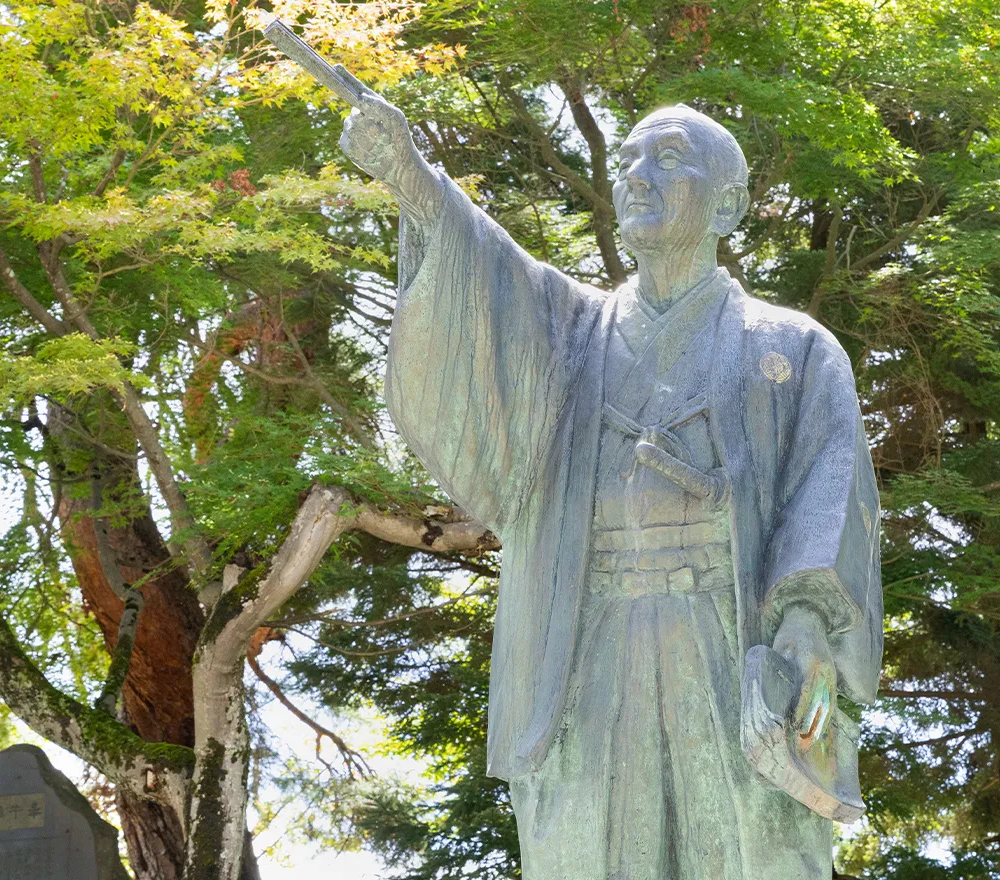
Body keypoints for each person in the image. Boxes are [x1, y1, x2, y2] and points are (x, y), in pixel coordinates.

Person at [331, 68, 881, 880]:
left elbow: (829, 496)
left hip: (729, 640)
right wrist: (413, 179)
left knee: (750, 849)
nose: (637, 176)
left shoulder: (796, 350)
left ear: (728, 206)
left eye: (668, 158)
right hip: (584, 647)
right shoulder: (570, 335)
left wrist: (803, 625)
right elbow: (491, 281)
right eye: (626, 161)